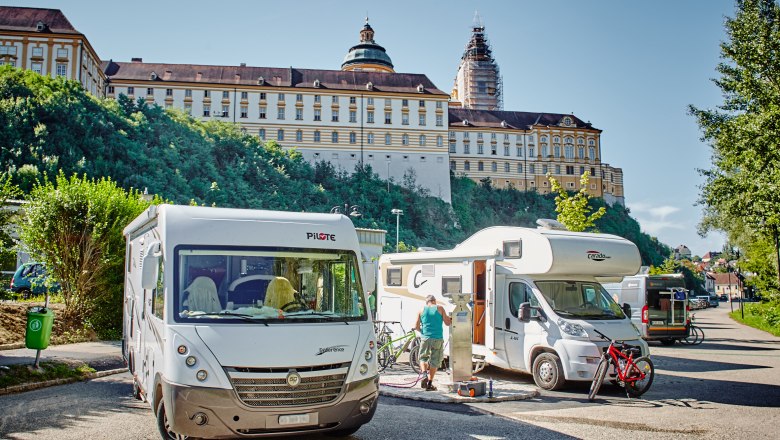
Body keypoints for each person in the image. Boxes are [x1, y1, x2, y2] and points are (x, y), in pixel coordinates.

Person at [415, 294, 451, 391]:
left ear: (427, 302)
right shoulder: (440, 308)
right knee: (435, 361)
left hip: (425, 338)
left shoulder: (421, 310)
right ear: (434, 301)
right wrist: (450, 318)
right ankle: (430, 383)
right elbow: (448, 323)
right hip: (437, 339)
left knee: (423, 357)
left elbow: (416, 326)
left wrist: (423, 332)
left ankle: (424, 374)